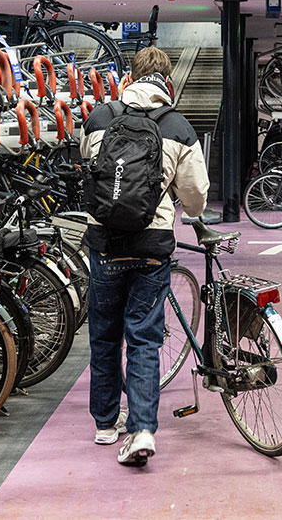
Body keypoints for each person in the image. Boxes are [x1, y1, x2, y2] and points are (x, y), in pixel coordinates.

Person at [80, 47, 210, 466]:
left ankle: (104, 423)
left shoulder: (101, 116)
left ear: (129, 78)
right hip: (152, 247)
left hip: (104, 244)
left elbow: (88, 164)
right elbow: (195, 196)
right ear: (167, 82)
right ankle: (142, 430)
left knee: (104, 334)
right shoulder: (178, 126)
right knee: (144, 338)